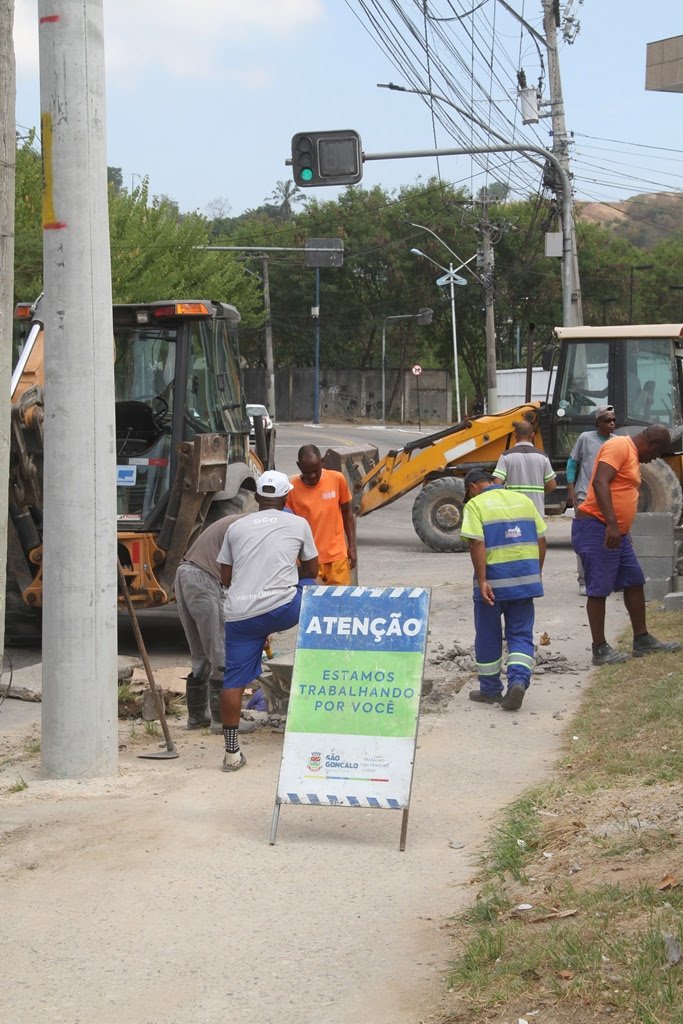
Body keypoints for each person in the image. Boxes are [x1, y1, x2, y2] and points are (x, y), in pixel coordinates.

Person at [217, 470, 318, 772]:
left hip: (241, 615)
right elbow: (312, 568)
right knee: (312, 587)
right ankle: (320, 650)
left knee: (233, 682)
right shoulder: (298, 523)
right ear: (287, 496)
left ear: (258, 498)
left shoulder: (236, 527)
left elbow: (225, 577)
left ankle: (231, 754)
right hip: (283, 609)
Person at [572, 424, 681, 666]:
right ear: (650, 443)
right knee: (599, 589)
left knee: (634, 580)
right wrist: (612, 524)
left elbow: (620, 491)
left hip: (617, 532)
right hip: (596, 527)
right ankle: (599, 649)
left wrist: (622, 528)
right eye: (658, 452)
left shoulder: (631, 455)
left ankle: (642, 639)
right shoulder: (619, 446)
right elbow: (601, 482)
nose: (655, 458)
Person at [460, 468, 547, 711]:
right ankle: (518, 681)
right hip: (524, 581)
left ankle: (490, 690)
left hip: (493, 583)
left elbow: (476, 542)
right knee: (520, 634)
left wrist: (481, 580)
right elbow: (541, 539)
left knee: (488, 634)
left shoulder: (475, 505)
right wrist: (535, 574)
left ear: (474, 486)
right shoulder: (524, 501)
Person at [174, 513, 253, 734]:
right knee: (220, 651)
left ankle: (197, 717)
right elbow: (240, 577)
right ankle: (222, 720)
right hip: (204, 578)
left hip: (184, 573)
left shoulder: (241, 521)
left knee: (200, 651)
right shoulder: (249, 528)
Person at [286, 444, 357, 585]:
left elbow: (347, 513)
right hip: (307, 562)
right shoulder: (291, 489)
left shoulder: (337, 479)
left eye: (316, 470)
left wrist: (352, 547)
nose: (312, 476)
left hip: (337, 560)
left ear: (322, 463)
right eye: (307, 472)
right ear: (299, 466)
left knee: (340, 603)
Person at [566, 405, 617, 595]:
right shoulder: (585, 439)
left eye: (613, 420)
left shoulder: (618, 442)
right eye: (607, 420)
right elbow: (573, 463)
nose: (612, 423)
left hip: (609, 498)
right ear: (598, 423)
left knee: (609, 538)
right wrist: (570, 489)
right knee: (585, 540)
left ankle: (607, 579)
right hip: (585, 496)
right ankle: (584, 580)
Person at [492, 419, 557, 517]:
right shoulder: (542, 457)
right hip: (536, 513)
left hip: (513, 513)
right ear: (532, 435)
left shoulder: (506, 456)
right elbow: (552, 485)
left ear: (515, 435)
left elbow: (497, 484)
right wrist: (538, 492)